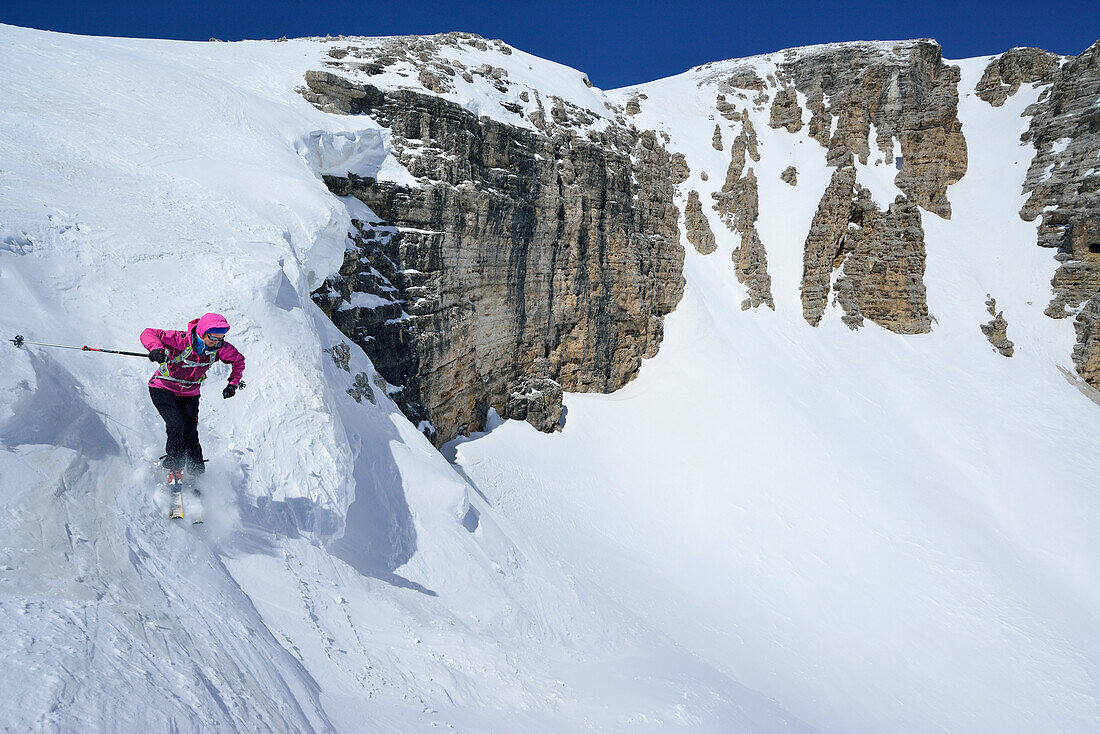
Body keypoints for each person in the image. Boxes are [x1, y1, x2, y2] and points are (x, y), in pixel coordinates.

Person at [140, 313, 245, 484]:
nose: (217, 342)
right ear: (203, 333)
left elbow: (238, 361)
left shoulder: (220, 348)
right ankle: (175, 468)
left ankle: (196, 474)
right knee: (176, 424)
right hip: (163, 387)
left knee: (190, 431)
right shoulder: (181, 340)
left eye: (221, 338)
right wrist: (156, 349)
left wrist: (233, 383)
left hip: (190, 393)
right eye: (213, 338)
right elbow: (148, 333)